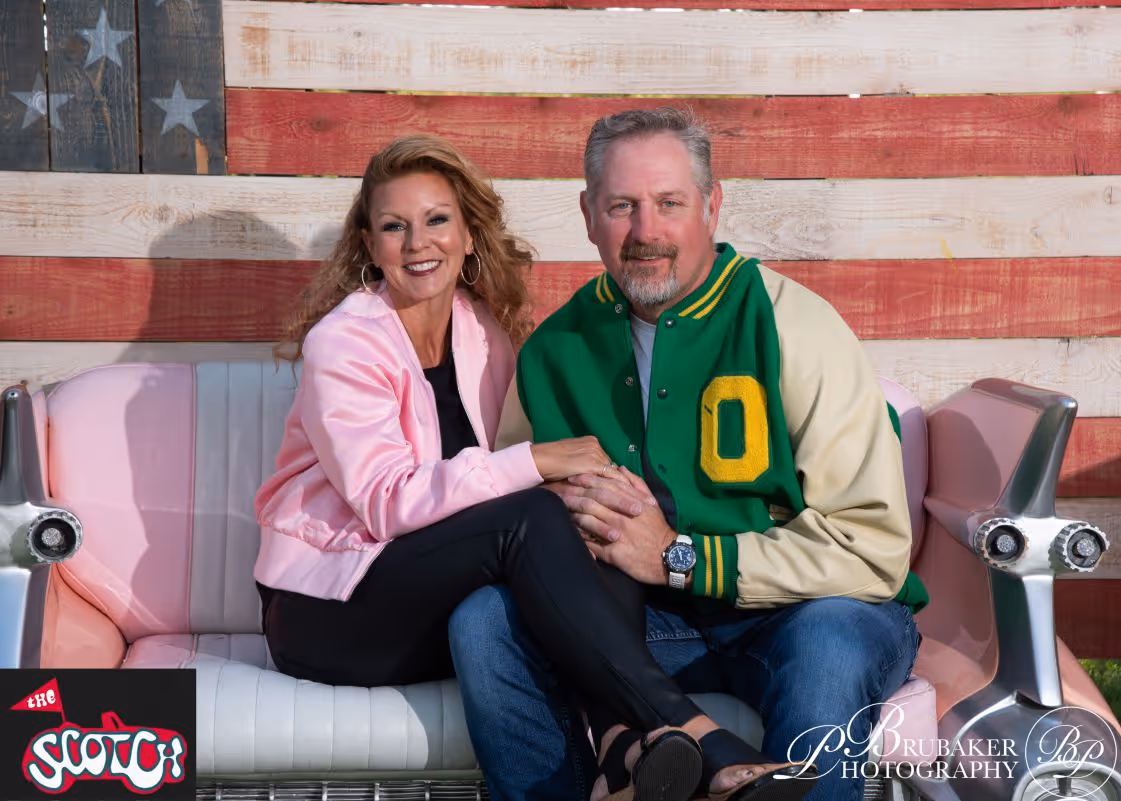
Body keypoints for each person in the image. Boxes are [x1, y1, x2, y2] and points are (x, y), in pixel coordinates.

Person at [253, 135, 818, 801]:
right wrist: (539, 461)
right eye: (393, 227)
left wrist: (581, 487)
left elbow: (490, 494)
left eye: (436, 220)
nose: (417, 243)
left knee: (597, 504)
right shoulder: (343, 343)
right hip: (332, 613)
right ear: (369, 244)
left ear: (468, 235)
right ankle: (696, 734)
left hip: (431, 602)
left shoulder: (481, 333)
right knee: (532, 515)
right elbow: (387, 503)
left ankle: (617, 752)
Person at [447, 108, 928, 801]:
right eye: (622, 206)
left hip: (806, 611)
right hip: (644, 628)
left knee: (829, 644)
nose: (646, 231)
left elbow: (872, 549)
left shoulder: (795, 326)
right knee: (487, 620)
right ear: (587, 214)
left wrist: (679, 556)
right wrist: (559, 511)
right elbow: (516, 528)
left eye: (669, 203)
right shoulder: (552, 352)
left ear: (711, 204)